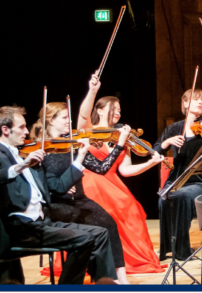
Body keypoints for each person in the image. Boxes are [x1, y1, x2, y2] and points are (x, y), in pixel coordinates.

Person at [0, 105, 116, 284]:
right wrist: (23, 165)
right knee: (85, 239)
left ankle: (104, 284)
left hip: (44, 222)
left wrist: (80, 156)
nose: (27, 132)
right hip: (23, 228)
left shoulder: (29, 154)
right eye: (21, 127)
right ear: (5, 130)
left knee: (101, 233)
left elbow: (59, 186)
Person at [75, 73, 168, 274]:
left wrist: (151, 164)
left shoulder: (122, 137)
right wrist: (93, 91)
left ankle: (127, 261)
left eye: (119, 110)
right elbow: (83, 116)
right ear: (98, 110)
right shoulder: (89, 131)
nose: (117, 113)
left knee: (132, 210)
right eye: (113, 109)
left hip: (113, 184)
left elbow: (125, 170)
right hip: (91, 184)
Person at [30, 103, 126, 283]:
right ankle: (101, 277)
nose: (69, 122)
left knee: (108, 223)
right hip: (57, 204)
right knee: (96, 230)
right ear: (51, 120)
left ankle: (115, 278)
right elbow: (51, 184)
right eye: (65, 118)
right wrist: (66, 182)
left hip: (79, 200)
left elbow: (101, 167)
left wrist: (119, 146)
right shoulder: (42, 149)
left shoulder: (72, 143)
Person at [154, 88, 202, 261]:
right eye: (196, 99)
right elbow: (155, 150)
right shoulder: (174, 128)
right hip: (176, 179)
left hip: (199, 181)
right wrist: (167, 142)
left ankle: (182, 249)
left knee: (181, 196)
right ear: (185, 103)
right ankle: (167, 248)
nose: (200, 102)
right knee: (164, 198)